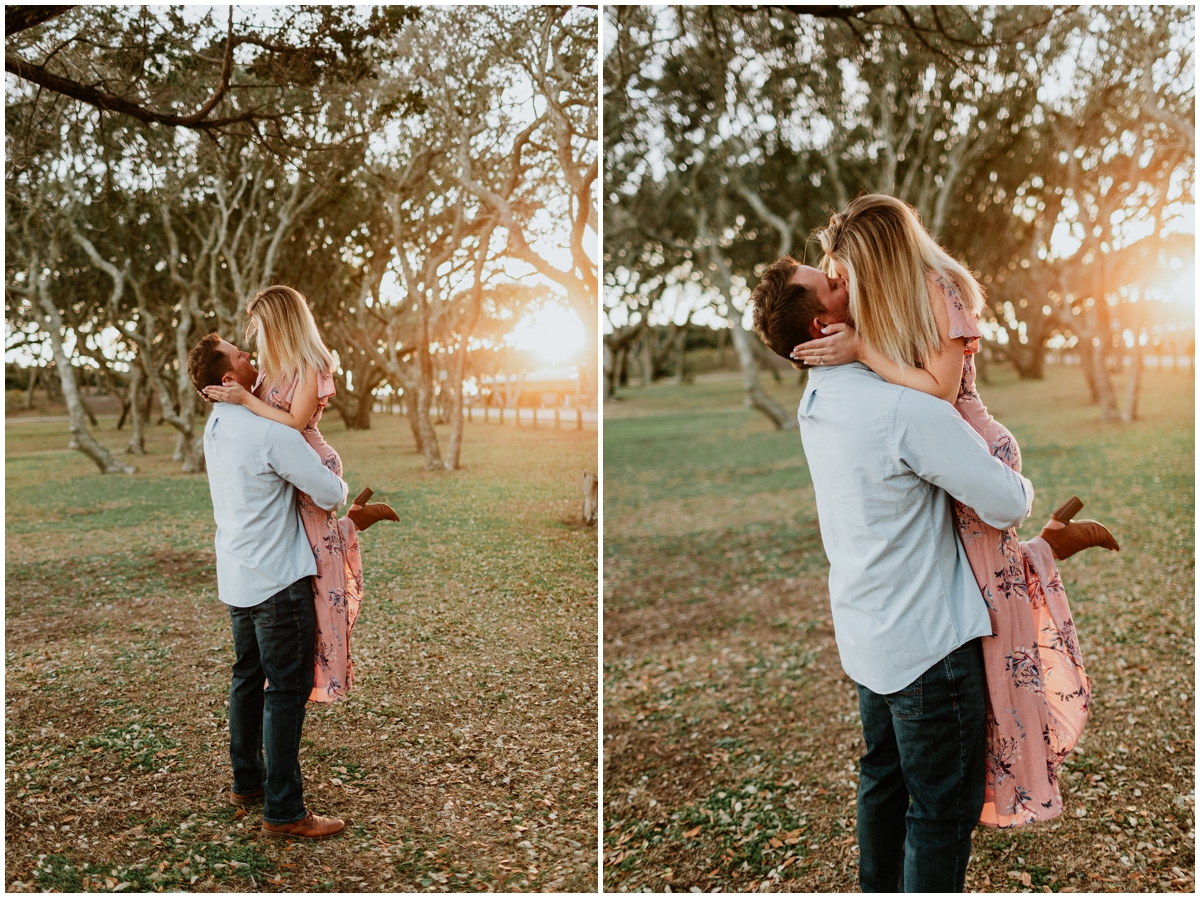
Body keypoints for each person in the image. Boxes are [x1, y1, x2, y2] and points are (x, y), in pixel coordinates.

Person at [202, 285, 398, 704]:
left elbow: (291, 423)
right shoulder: (272, 369)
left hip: (309, 462)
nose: (253, 337)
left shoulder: (311, 364)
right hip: (287, 465)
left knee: (319, 565)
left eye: (258, 324)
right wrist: (234, 396)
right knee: (307, 550)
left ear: (279, 321)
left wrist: (242, 398)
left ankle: (318, 668)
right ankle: (354, 523)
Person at [186, 333, 346, 839]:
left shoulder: (215, 426)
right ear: (228, 379)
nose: (250, 355)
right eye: (240, 354)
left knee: (247, 679)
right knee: (286, 691)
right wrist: (336, 477)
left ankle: (247, 782)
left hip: (236, 576)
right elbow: (329, 492)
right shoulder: (266, 432)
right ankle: (284, 810)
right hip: (278, 580)